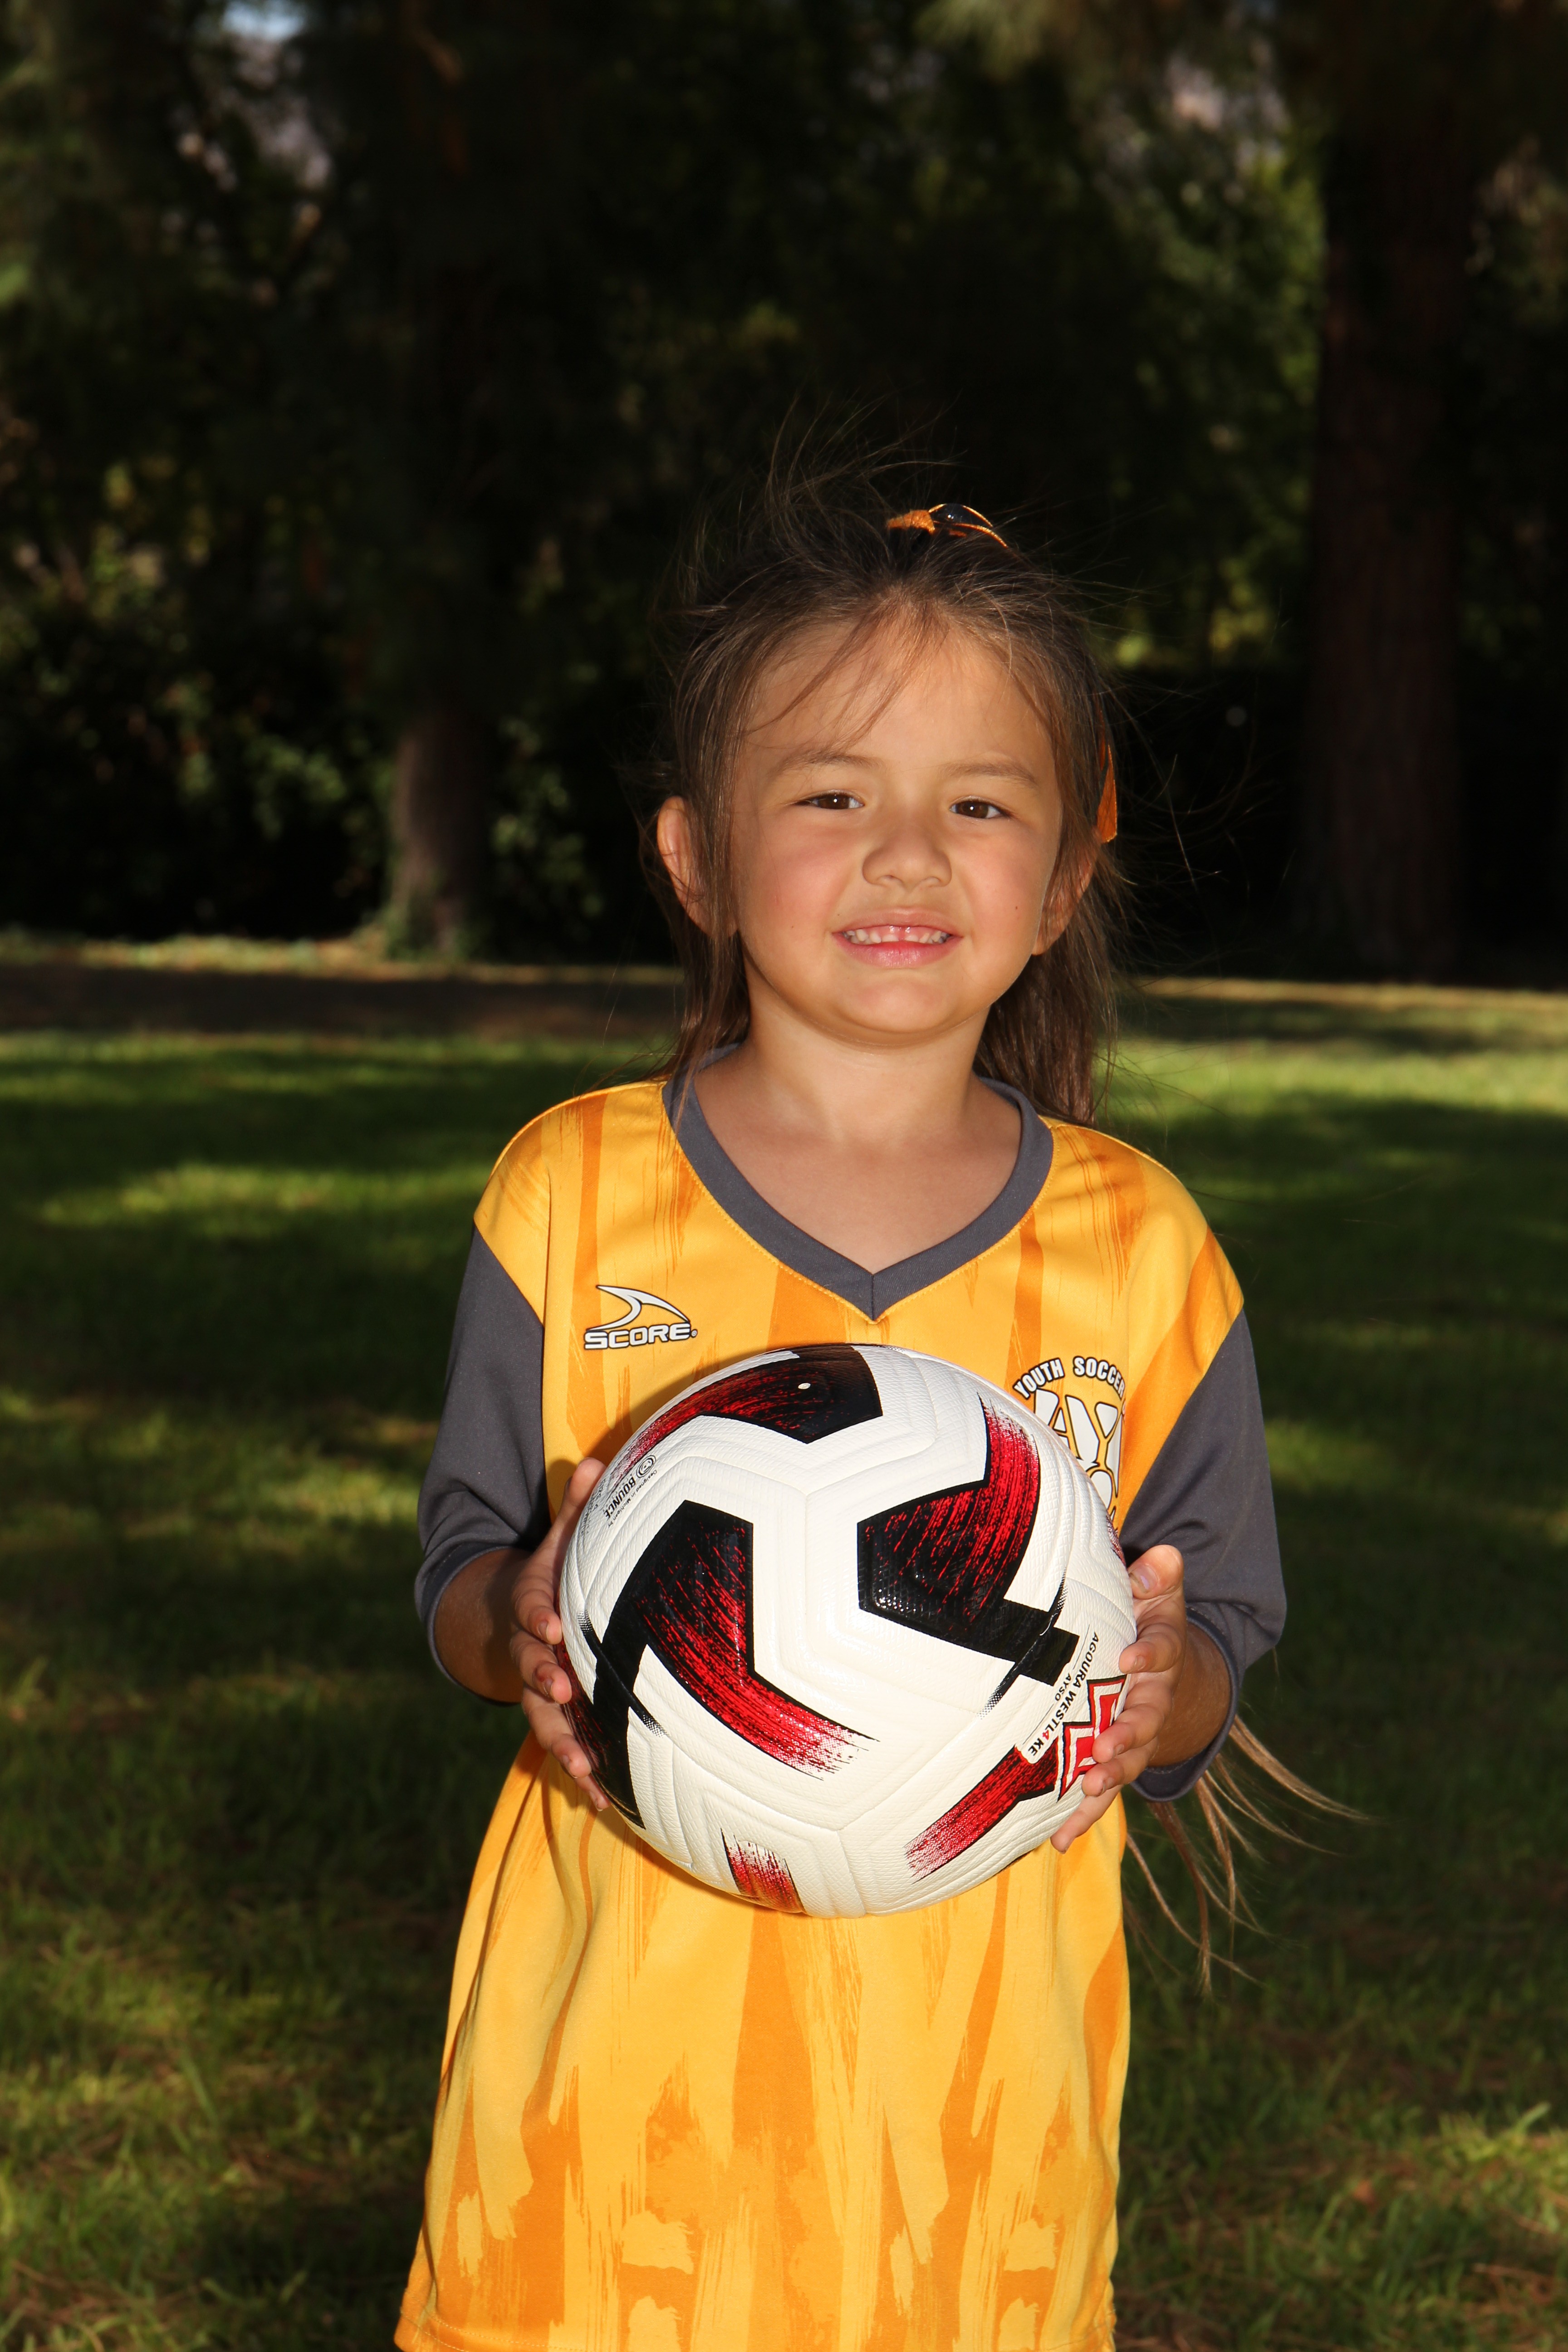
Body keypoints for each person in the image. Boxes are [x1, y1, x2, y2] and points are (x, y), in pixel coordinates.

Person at [395, 474, 1287, 2352]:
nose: (906, 856)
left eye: (979, 806)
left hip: (973, 2156)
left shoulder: (1143, 1251)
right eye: (830, 797)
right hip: (603, 2141)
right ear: (697, 859)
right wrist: (520, 1624)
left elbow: (1219, 1638)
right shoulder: (574, 1195)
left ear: (1063, 878)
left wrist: (1161, 1687)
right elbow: (467, 1569)